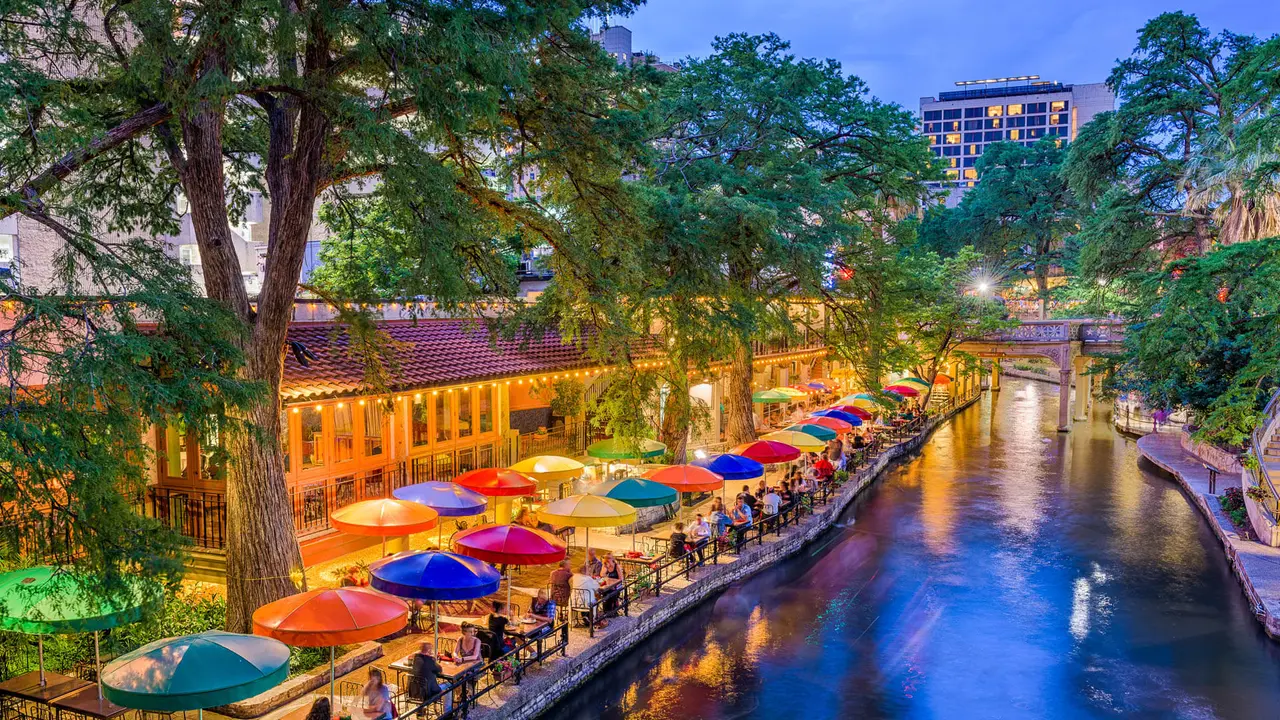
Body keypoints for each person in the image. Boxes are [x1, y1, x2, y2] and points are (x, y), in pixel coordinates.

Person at [408, 642, 442, 708]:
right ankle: (448, 712)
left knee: (422, 682)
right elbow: (439, 670)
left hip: (413, 692)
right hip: (427, 694)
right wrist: (434, 661)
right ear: (429, 650)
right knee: (449, 686)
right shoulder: (430, 660)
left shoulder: (416, 658)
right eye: (431, 649)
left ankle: (420, 712)